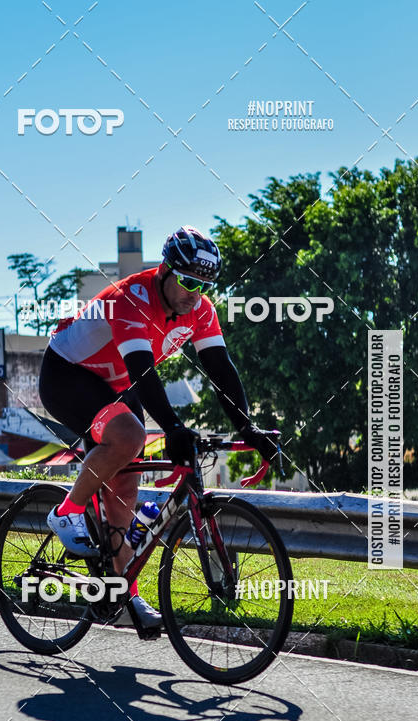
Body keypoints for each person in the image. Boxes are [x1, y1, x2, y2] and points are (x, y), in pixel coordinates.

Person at [38, 226, 280, 628]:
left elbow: (221, 370)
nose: (194, 294)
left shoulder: (200, 310)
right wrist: (172, 426)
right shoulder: (131, 298)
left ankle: (123, 591)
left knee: (126, 487)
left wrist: (248, 429)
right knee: (130, 436)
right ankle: (67, 511)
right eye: (188, 282)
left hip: (117, 385)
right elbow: (143, 371)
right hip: (67, 374)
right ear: (165, 271)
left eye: (204, 286)